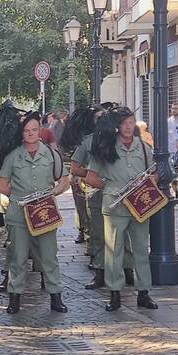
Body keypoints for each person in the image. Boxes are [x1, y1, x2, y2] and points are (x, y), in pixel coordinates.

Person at [86, 106, 159, 312]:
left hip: (139, 206)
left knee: (140, 250)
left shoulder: (143, 148)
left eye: (131, 122)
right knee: (114, 250)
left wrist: (147, 183)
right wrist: (111, 187)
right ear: (117, 126)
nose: (128, 127)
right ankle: (115, 292)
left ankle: (143, 292)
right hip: (114, 206)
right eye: (124, 123)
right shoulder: (106, 147)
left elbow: (154, 173)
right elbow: (91, 177)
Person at [0, 111, 70, 314]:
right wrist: (20, 196)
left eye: (34, 130)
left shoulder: (51, 154)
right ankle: (15, 297)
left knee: (49, 256)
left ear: (40, 131)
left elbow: (64, 180)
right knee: (18, 257)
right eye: (26, 131)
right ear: (22, 133)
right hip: (19, 213)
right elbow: (1, 184)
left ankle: (56, 297)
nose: (30, 134)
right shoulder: (13, 156)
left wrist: (55, 191)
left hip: (44, 212)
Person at [63, 107, 135, 291]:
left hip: (123, 194)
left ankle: (127, 269)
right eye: (98, 117)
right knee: (98, 233)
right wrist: (95, 174)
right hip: (97, 192)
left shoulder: (124, 142)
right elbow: (75, 168)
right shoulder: (88, 142)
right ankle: (100, 271)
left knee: (126, 233)